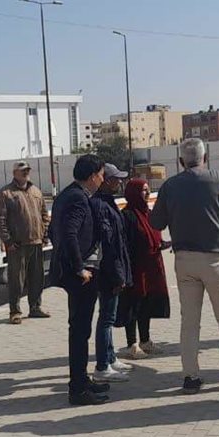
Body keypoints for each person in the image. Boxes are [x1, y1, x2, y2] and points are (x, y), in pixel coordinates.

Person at [150, 138, 219, 394]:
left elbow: (156, 223)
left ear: (181, 161)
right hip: (216, 259)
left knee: (189, 322)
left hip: (185, 260)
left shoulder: (170, 186)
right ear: (205, 158)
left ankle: (190, 377)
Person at [48, 155, 109, 406]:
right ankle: (78, 388)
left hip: (74, 271)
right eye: (101, 175)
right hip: (81, 275)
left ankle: (82, 380)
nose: (103, 180)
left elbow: (53, 232)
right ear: (93, 176)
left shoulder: (67, 195)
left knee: (80, 330)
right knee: (80, 332)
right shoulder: (77, 198)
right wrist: (79, 268)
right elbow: (69, 234)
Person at [90, 163, 134, 382]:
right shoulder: (100, 205)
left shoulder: (108, 202)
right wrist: (118, 274)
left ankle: (110, 356)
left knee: (108, 315)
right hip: (107, 271)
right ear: (106, 181)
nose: (120, 182)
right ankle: (102, 366)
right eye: (116, 179)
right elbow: (109, 245)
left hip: (113, 268)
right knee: (106, 318)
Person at [118, 178, 170, 360]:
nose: (147, 193)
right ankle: (131, 344)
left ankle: (145, 341)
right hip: (135, 267)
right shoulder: (127, 216)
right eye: (143, 190)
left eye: (148, 190)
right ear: (133, 193)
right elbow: (125, 243)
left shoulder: (149, 213)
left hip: (151, 267)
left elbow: (155, 235)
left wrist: (163, 244)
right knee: (133, 304)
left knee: (146, 304)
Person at [0, 162, 51, 324]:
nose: (26, 173)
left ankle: (35, 307)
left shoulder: (36, 191)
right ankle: (15, 311)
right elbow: (0, 219)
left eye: (27, 170)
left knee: (37, 277)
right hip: (17, 245)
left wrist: (44, 235)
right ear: (15, 173)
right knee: (16, 280)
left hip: (36, 242)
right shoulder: (6, 193)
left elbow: (44, 215)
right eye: (22, 171)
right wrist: (8, 240)